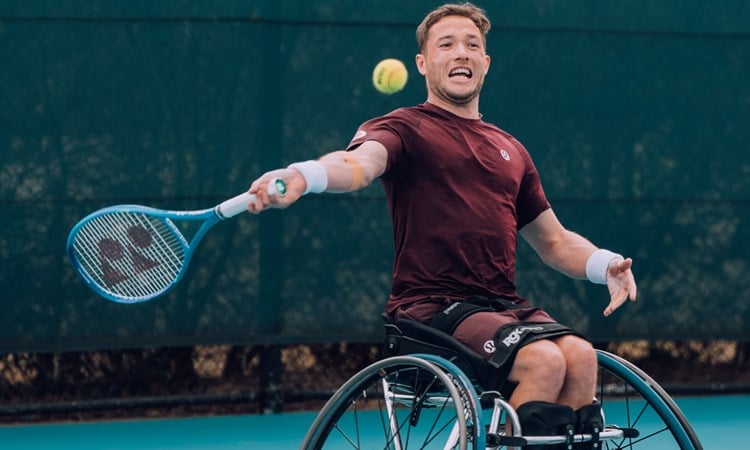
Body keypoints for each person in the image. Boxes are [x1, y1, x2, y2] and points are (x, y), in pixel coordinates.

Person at [247, 2, 637, 446]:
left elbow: (554, 242)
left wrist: (604, 264)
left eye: (473, 46)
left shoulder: (511, 150)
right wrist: (304, 174)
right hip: (428, 311)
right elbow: (358, 165)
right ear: (423, 62)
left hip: (499, 307)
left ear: (485, 64)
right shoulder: (403, 128)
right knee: (543, 361)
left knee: (582, 356)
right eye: (446, 45)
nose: (461, 54)